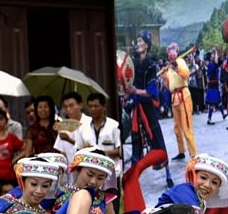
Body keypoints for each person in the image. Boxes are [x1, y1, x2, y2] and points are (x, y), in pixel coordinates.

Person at [128, 30, 171, 185]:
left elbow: (151, 91)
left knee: (156, 136)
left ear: (147, 45)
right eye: (138, 41)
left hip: (148, 107)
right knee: (136, 139)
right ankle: (134, 175)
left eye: (141, 41)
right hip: (137, 106)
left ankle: (167, 172)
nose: (138, 44)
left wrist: (136, 91)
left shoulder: (151, 64)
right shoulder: (133, 62)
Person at [75, 93, 122, 194]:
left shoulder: (114, 126)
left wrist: (98, 152)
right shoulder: (82, 128)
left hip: (111, 174)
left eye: (96, 106)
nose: (93, 109)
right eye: (90, 106)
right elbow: (78, 151)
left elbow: (120, 151)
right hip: (90, 177)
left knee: (111, 205)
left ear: (104, 107)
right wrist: (85, 150)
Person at [162, 43, 196, 160]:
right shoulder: (169, 68)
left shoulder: (180, 61)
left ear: (177, 51)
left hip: (183, 95)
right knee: (177, 127)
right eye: (169, 50)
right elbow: (168, 86)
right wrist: (164, 77)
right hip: (174, 97)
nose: (171, 52)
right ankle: (181, 151)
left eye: (173, 50)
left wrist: (176, 67)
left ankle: (193, 153)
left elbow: (186, 75)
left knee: (186, 126)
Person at [53, 92, 92, 165]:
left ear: (80, 105)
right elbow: (62, 152)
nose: (68, 109)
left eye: (71, 106)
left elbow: (90, 147)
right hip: (70, 169)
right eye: (65, 106)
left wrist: (69, 140)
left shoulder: (90, 123)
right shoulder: (63, 125)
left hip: (87, 166)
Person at [204, 50, 227, 125]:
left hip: (215, 85)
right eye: (213, 55)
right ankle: (209, 118)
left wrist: (219, 52)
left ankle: (223, 114)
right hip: (212, 85)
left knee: (218, 101)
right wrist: (216, 51)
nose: (214, 56)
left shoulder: (213, 63)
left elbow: (219, 60)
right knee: (212, 103)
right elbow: (217, 61)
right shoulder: (211, 64)